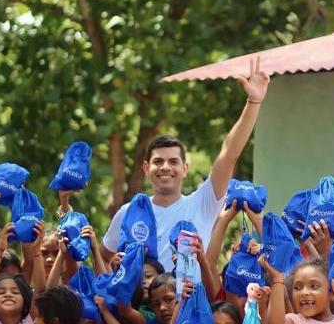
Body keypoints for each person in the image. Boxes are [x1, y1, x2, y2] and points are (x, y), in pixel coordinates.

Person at [101, 57, 271, 271]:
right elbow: (102, 257)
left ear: (185, 169)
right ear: (146, 168)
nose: (165, 167)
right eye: (158, 162)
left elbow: (229, 155)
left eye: (173, 161)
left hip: (191, 304)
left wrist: (253, 102)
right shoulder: (128, 213)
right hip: (138, 305)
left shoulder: (202, 204)